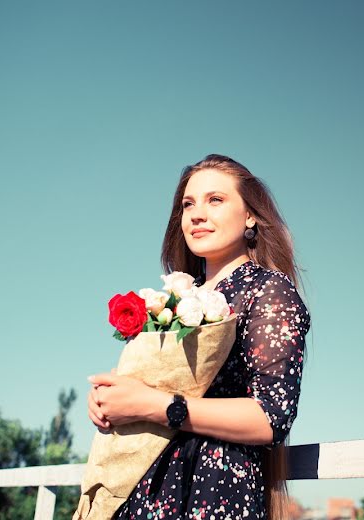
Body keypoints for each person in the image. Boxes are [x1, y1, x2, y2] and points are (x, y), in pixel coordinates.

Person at [86, 154, 312, 520]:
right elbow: (153, 387)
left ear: (251, 215)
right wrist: (110, 403)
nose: (196, 214)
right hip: (144, 487)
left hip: (212, 489)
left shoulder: (268, 290)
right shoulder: (175, 299)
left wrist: (156, 406)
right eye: (188, 204)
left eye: (215, 200)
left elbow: (272, 416)